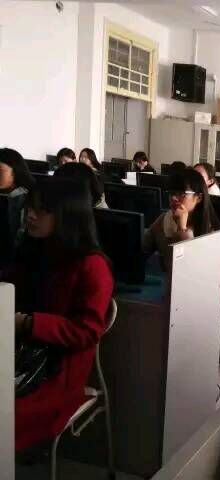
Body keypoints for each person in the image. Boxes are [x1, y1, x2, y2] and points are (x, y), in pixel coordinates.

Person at [2, 178, 114, 451]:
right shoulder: (35, 250)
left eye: (41, 211)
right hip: (19, 356)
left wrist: (28, 324)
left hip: (56, 373)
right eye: (30, 208)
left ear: (66, 216)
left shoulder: (92, 266)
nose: (30, 215)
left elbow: (87, 331)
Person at [142, 168, 220, 310]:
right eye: (171, 193)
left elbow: (188, 274)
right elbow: (143, 248)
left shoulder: (212, 233)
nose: (174, 198)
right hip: (178, 295)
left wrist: (182, 229)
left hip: (212, 299)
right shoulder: (165, 220)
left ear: (199, 198)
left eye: (181, 194)